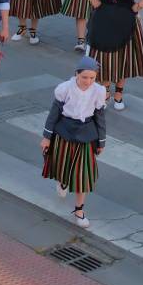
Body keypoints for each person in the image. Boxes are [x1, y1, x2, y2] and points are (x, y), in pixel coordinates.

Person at [40, 55, 107, 228]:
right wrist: (46, 137)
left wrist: (101, 141)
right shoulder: (65, 89)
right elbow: (54, 113)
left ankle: (79, 210)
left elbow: (100, 117)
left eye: (92, 78)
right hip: (65, 132)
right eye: (84, 77)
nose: (88, 81)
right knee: (62, 165)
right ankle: (62, 180)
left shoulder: (98, 91)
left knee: (83, 175)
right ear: (76, 74)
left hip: (86, 135)